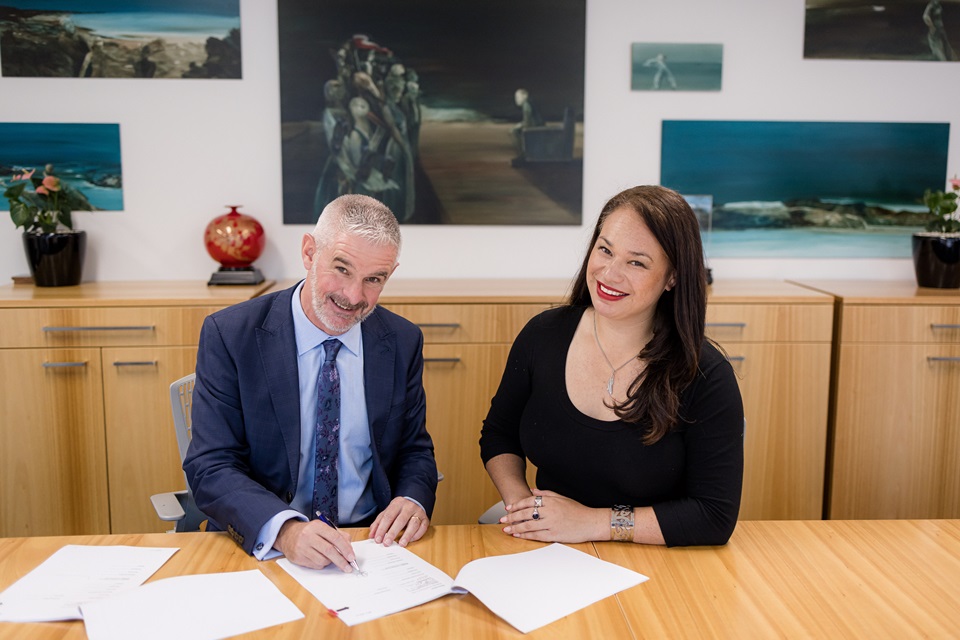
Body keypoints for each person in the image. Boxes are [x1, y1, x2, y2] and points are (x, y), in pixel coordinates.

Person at [184, 194, 438, 571]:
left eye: (374, 279)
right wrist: (285, 531)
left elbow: (414, 450)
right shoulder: (231, 334)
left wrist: (413, 500)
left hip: (369, 547)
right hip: (266, 544)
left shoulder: (401, 341)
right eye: (342, 268)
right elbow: (211, 465)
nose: (354, 297)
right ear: (308, 252)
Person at [479, 185, 743, 547]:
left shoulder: (705, 374)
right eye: (605, 250)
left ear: (673, 277)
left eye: (637, 262)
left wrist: (591, 523)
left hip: (658, 557)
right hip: (550, 549)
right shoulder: (544, 334)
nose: (610, 273)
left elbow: (713, 516)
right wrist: (525, 505)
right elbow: (499, 434)